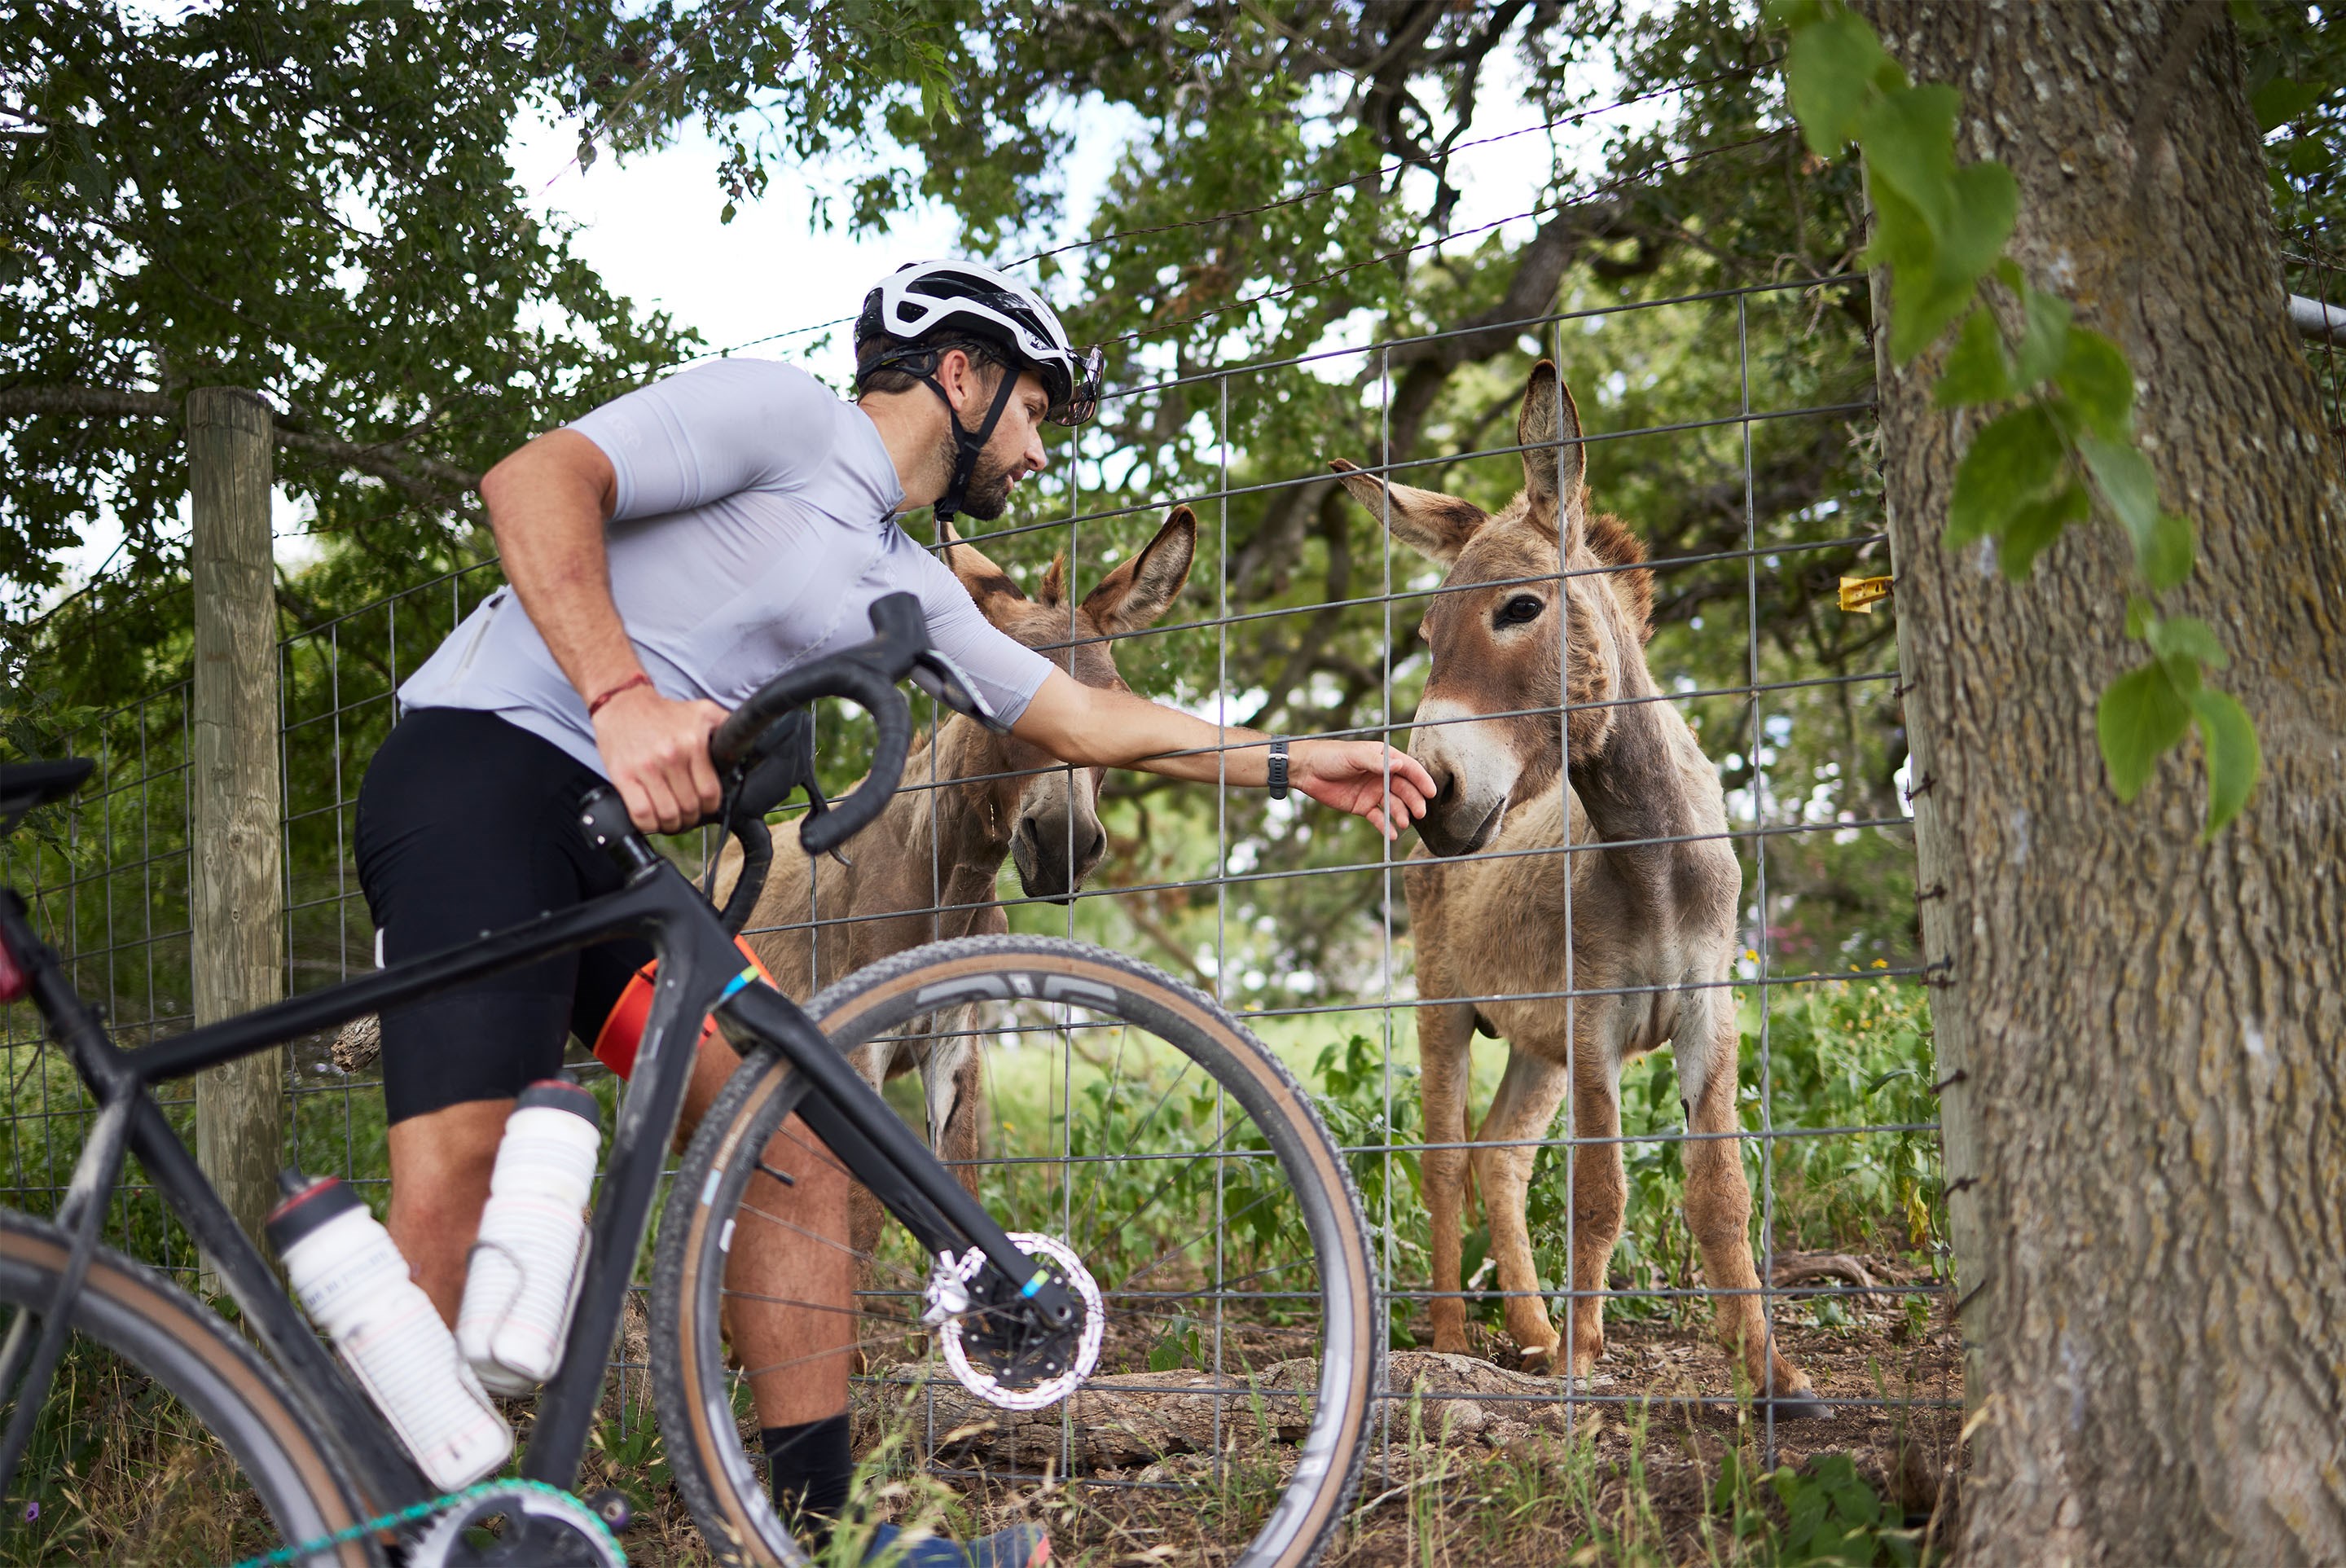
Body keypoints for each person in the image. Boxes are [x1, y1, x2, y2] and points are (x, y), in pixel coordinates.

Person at [354, 259, 1434, 1564]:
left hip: (600, 845)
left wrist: (1289, 755)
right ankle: (381, 1536)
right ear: (961, 375)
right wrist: (621, 696)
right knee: (460, 1173)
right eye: (1037, 407)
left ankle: (834, 1541)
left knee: (797, 1137)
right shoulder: (783, 417)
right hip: (482, 770)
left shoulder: (902, 582)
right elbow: (534, 479)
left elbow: (1079, 713)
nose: (1040, 448)